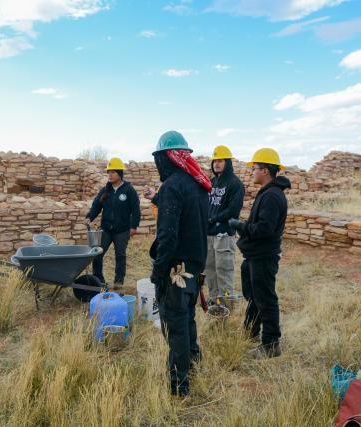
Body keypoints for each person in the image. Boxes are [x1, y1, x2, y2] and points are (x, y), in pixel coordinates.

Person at [149, 130, 210, 397]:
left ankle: (178, 386)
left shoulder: (173, 186)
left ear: (167, 158)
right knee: (188, 319)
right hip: (195, 267)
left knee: (175, 325)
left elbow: (168, 235)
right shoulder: (198, 185)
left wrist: (159, 270)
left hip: (177, 270)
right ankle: (193, 364)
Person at [229, 148, 291, 358]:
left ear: (265, 171)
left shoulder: (272, 196)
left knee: (265, 299)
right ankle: (251, 331)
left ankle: (271, 344)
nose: (252, 172)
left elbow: (264, 230)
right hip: (256, 255)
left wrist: (240, 225)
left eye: (255, 168)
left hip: (263, 256)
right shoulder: (269, 193)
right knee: (255, 296)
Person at [85, 157, 141, 289]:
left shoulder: (129, 190)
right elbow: (96, 206)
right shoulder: (105, 190)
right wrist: (89, 217)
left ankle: (118, 282)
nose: (109, 175)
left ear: (120, 174)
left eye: (113, 172)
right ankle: (99, 281)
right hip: (106, 229)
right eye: (108, 172)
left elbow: (135, 209)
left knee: (120, 256)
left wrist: (134, 226)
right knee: (97, 254)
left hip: (122, 230)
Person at [204, 145, 245, 307]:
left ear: (228, 162)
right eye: (215, 161)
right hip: (208, 234)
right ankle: (215, 301)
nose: (217, 164)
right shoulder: (212, 182)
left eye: (220, 160)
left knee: (224, 272)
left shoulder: (235, 183)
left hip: (223, 234)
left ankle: (227, 306)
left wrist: (213, 219)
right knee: (210, 271)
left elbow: (233, 210)